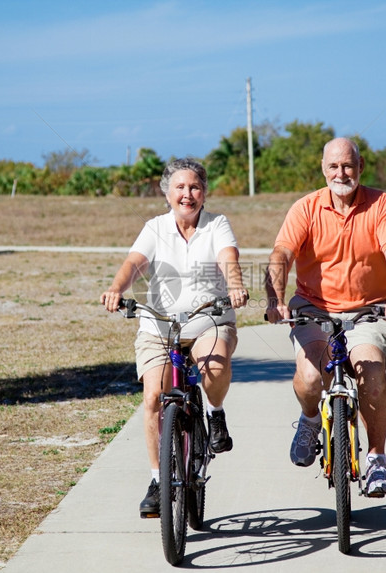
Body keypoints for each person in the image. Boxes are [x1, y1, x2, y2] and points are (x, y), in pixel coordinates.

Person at [101, 157, 249, 517]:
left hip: (208, 319)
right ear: (166, 193)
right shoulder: (155, 228)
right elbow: (135, 262)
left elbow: (228, 258)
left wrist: (235, 285)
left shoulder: (217, 225)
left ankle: (215, 413)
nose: (188, 194)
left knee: (213, 367)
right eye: (180, 188)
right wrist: (117, 288)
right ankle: (157, 480)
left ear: (205, 192)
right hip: (160, 325)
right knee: (154, 395)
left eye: (195, 187)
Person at [264, 137, 386, 497]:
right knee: (312, 376)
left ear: (360, 167)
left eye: (348, 165)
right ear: (323, 168)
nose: (341, 173)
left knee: (372, 372)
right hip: (313, 309)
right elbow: (281, 254)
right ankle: (311, 418)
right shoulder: (306, 208)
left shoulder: (381, 205)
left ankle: (377, 459)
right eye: (334, 166)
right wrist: (274, 299)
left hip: (367, 310)